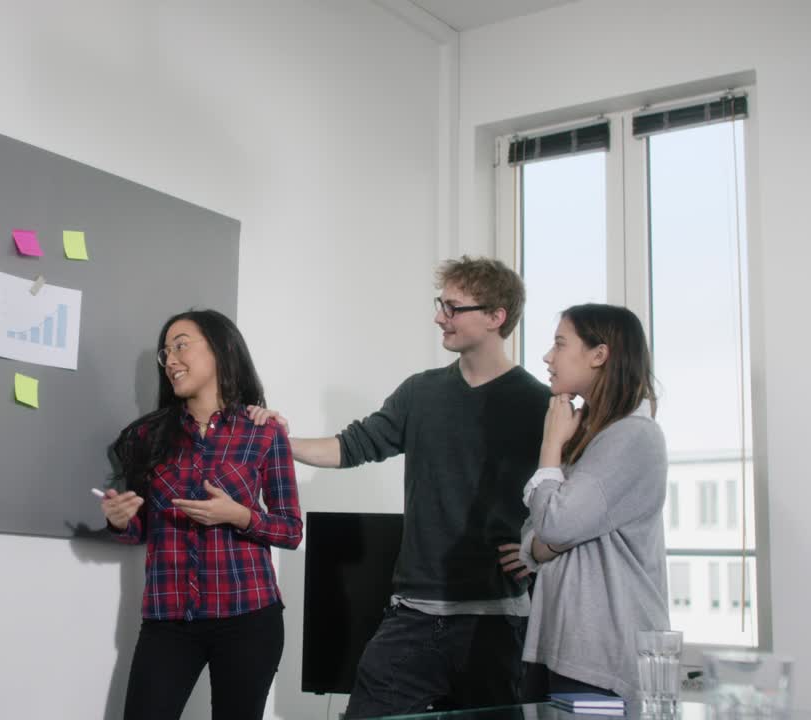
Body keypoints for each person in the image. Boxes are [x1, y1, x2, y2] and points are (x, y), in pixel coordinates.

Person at [252, 256, 551, 717]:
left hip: (494, 623)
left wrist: (537, 546)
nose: (439, 317)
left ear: (496, 317)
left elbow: (565, 493)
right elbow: (352, 446)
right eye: (440, 305)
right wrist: (279, 440)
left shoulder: (538, 404)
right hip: (413, 615)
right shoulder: (421, 392)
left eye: (453, 308)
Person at [99, 309, 303, 720]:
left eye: (181, 346)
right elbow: (142, 529)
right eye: (165, 353)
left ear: (220, 351)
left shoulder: (263, 431)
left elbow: (291, 530)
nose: (171, 360)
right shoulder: (146, 436)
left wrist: (239, 515)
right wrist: (121, 521)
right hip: (169, 618)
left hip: (249, 616)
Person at [500, 304, 670, 700]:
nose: (547, 356)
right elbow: (537, 531)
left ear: (599, 354)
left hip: (602, 655)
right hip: (565, 645)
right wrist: (547, 539)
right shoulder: (596, 437)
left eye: (560, 344)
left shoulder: (633, 437)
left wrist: (550, 444)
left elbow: (554, 524)